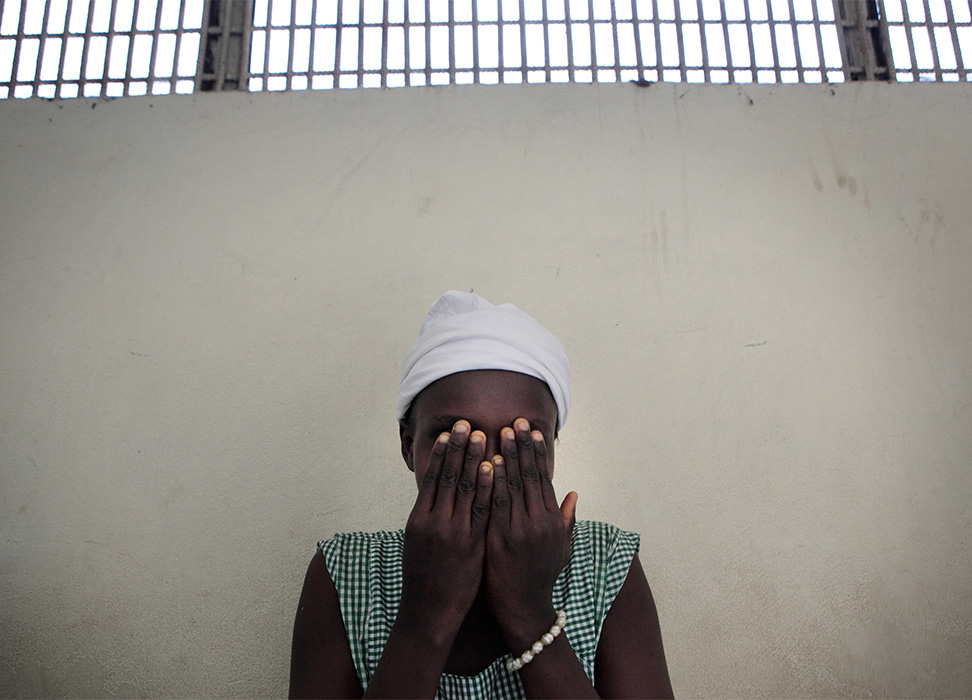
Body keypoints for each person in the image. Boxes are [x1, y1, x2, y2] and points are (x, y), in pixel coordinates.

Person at [290, 291, 673, 699]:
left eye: (522, 440)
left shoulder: (605, 563)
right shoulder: (345, 572)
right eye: (457, 437)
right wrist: (428, 611)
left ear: (554, 448)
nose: (488, 467)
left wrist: (530, 612)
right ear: (408, 446)